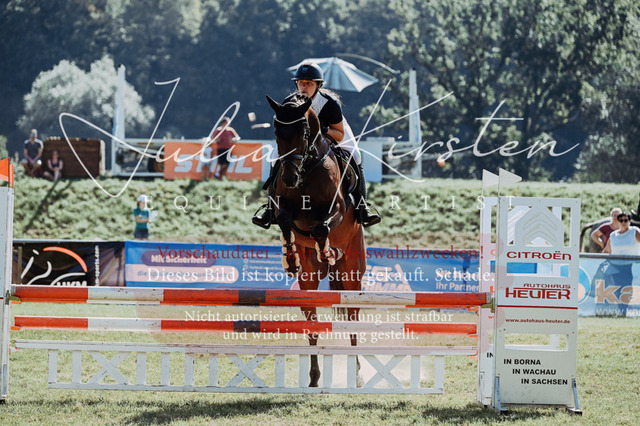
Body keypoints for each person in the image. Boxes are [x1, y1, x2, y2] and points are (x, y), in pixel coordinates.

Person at [252, 62, 381, 228]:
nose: (303, 87)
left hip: (331, 133)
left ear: (319, 85)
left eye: (309, 83)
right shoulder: (289, 102)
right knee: (274, 157)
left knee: (355, 155)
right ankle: (270, 210)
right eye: (301, 83)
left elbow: (339, 134)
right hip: (301, 141)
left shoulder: (329, 103)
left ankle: (363, 208)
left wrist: (320, 132)